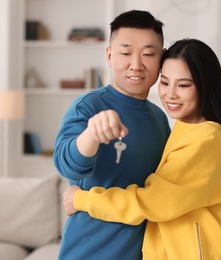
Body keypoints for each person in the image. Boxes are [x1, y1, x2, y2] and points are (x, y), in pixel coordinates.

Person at [63, 38, 221, 259]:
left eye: (183, 85)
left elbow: (152, 201)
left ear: (205, 86)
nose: (170, 94)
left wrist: (82, 200)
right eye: (164, 82)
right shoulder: (185, 127)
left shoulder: (207, 139)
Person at [53, 10, 171, 260]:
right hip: (88, 252)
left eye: (149, 54)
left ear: (161, 59)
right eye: (126, 53)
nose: (136, 65)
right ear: (109, 55)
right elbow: (67, 166)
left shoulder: (160, 119)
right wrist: (92, 134)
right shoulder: (88, 106)